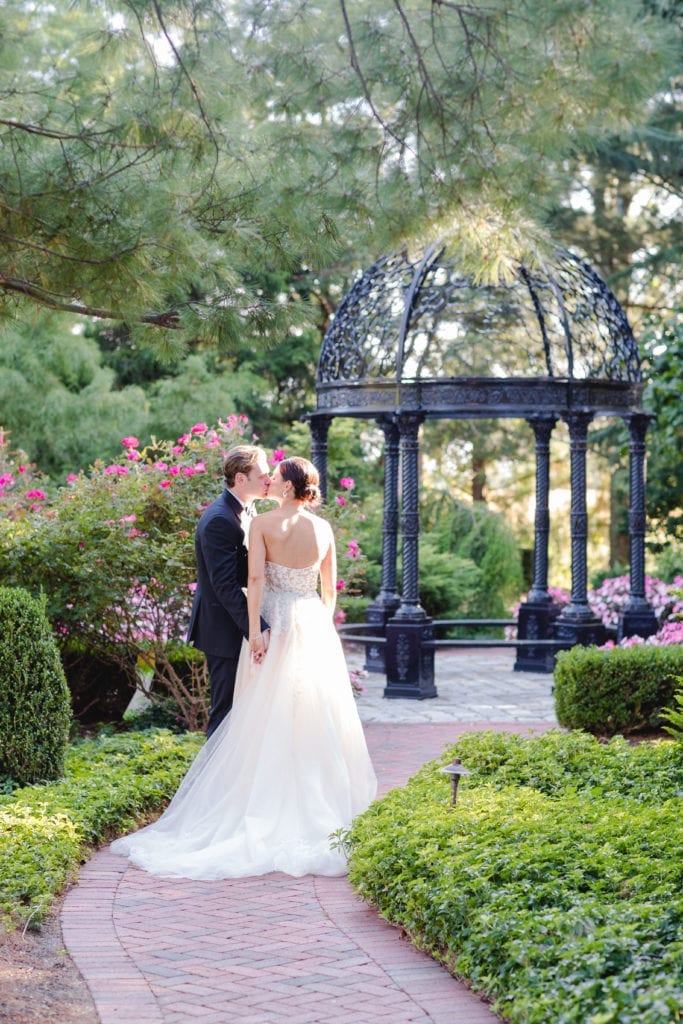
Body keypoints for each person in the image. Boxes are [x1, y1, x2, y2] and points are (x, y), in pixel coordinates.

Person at [111, 456, 377, 878]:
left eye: (275, 477)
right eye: (262, 475)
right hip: (311, 624)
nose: (269, 480)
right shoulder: (324, 529)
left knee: (256, 711)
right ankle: (318, 803)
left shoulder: (262, 524)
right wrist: (320, 631)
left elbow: (254, 582)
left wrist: (256, 631)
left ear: (287, 488)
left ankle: (249, 799)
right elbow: (329, 591)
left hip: (271, 621)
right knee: (310, 712)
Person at [186, 444, 271, 738]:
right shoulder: (220, 519)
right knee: (225, 712)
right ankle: (213, 782)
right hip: (223, 629)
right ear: (240, 478)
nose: (268, 481)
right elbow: (224, 586)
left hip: (237, 623)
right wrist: (257, 628)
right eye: (262, 475)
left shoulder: (247, 508)